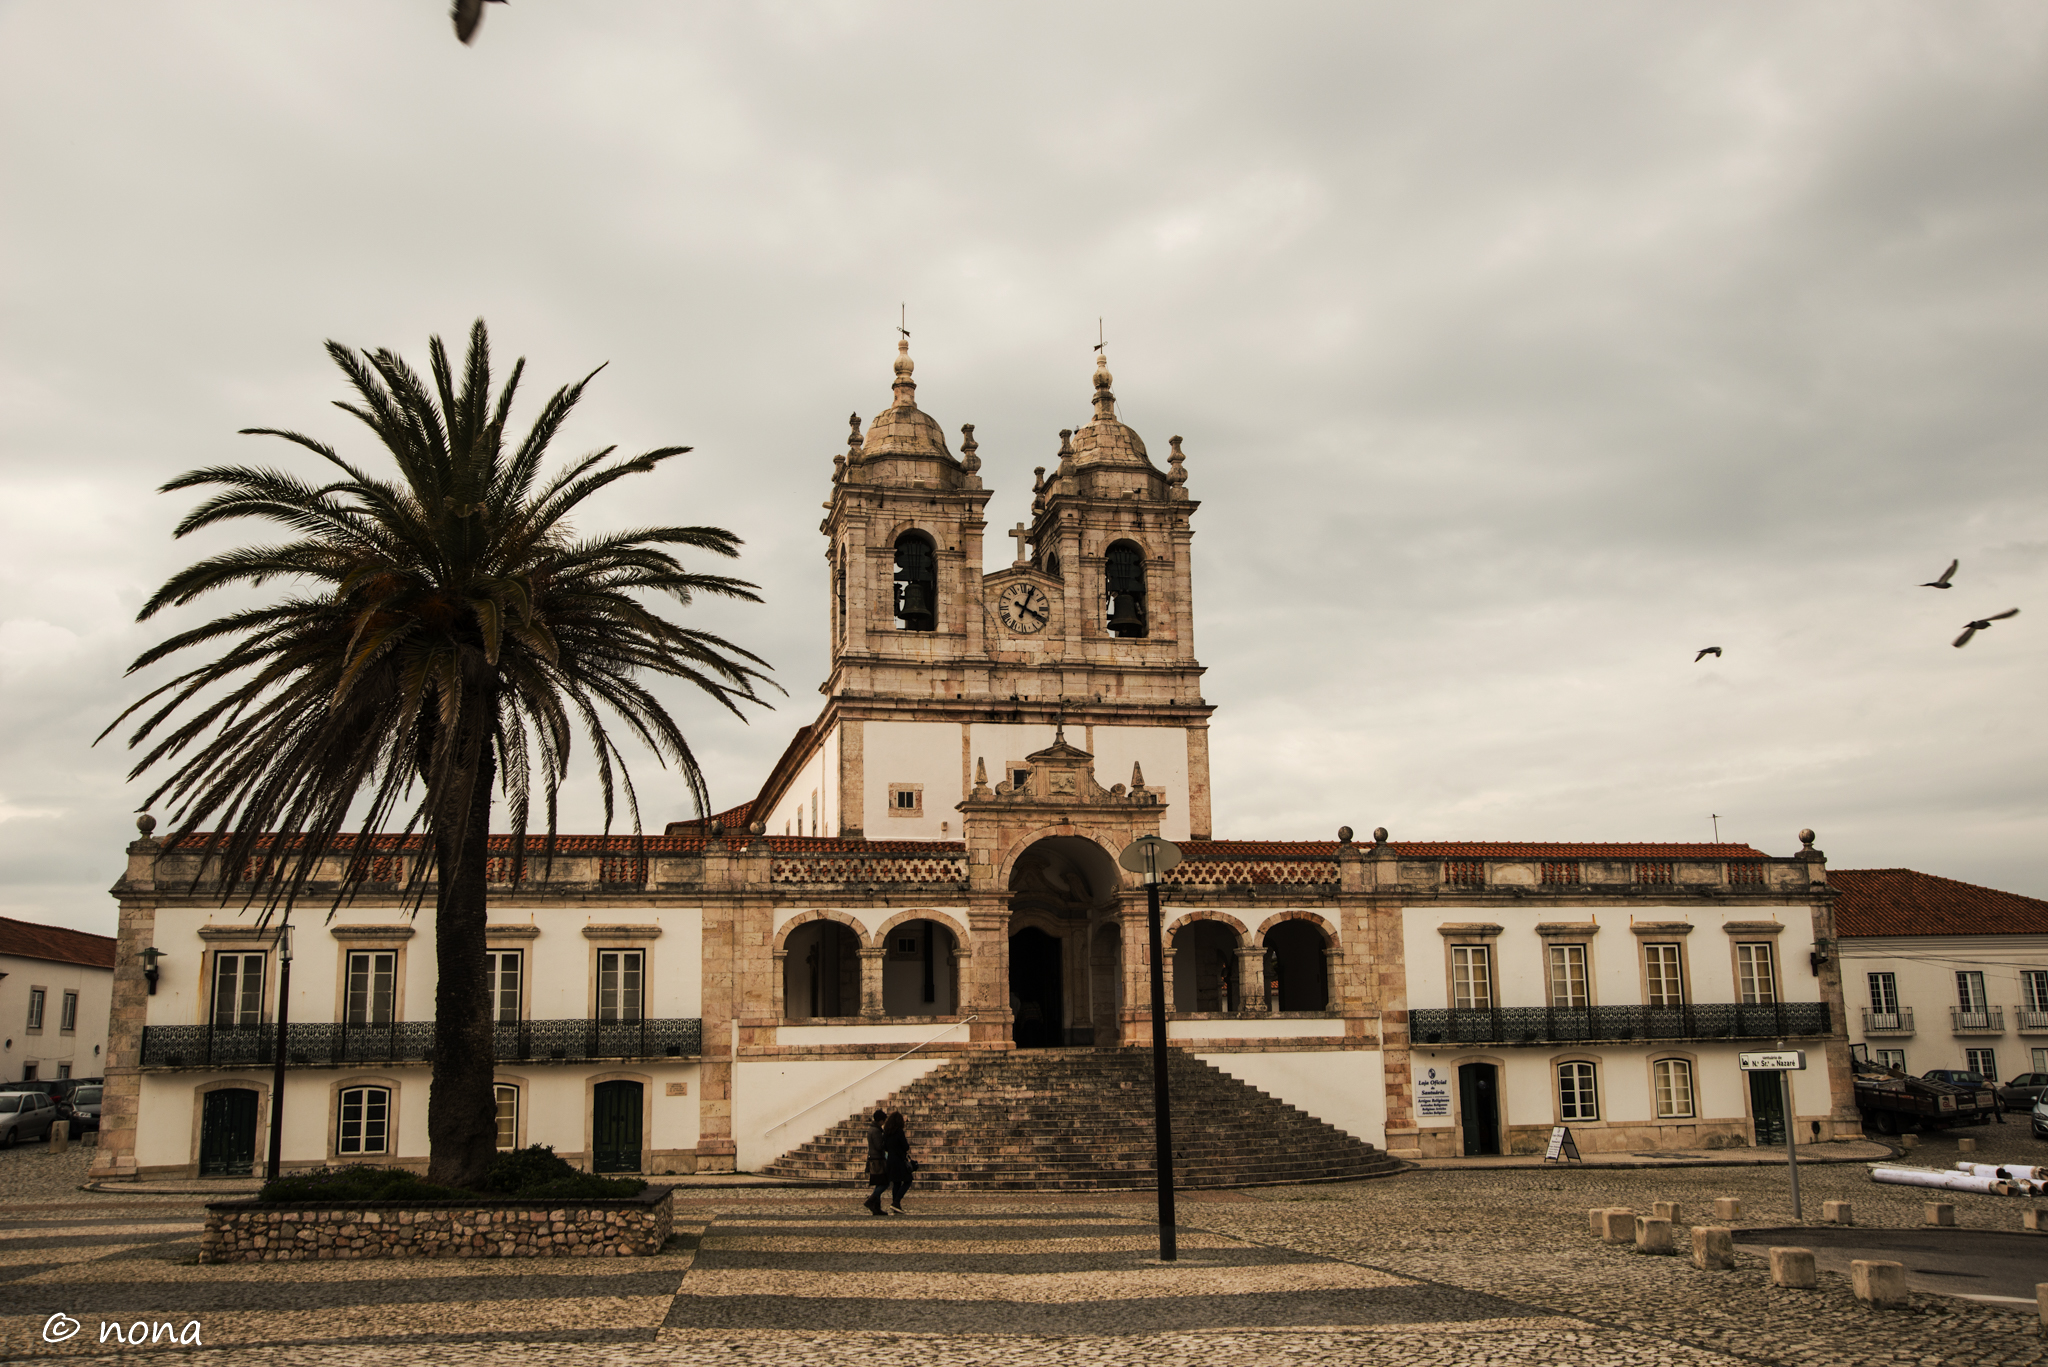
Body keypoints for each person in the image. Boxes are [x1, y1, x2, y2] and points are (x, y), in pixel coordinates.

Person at [881, 1110, 914, 1214]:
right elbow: (905, 1146)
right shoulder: (899, 1132)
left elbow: (885, 1147)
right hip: (899, 1160)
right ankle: (896, 1201)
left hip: (891, 1160)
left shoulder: (886, 1133)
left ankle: (896, 1204)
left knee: (896, 1183)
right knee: (908, 1180)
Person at [861, 1109, 888, 1216]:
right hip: (877, 1160)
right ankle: (871, 1200)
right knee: (884, 1183)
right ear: (880, 1120)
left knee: (879, 1183)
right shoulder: (876, 1131)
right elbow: (878, 1146)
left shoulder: (872, 1129)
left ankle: (876, 1207)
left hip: (874, 1159)